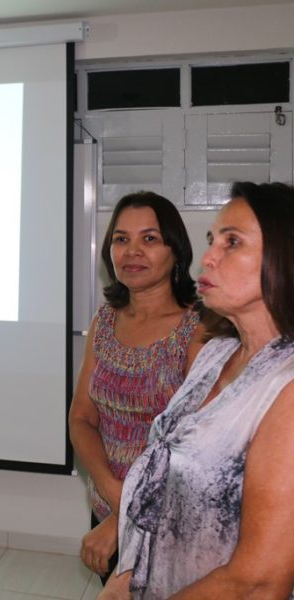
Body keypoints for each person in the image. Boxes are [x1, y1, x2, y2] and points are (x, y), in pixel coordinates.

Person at [100, 181, 294, 599]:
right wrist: (119, 584)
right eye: (212, 240)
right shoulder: (216, 353)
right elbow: (159, 490)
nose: (208, 257)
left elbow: (257, 583)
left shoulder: (287, 385)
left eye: (232, 242)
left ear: (284, 257)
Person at [69, 191, 206, 582]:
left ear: (175, 250)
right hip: (106, 507)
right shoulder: (104, 321)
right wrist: (112, 493)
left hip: (168, 520)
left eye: (149, 238)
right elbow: (81, 418)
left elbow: (193, 447)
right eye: (121, 239)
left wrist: (124, 515)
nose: (132, 251)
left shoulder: (200, 330)